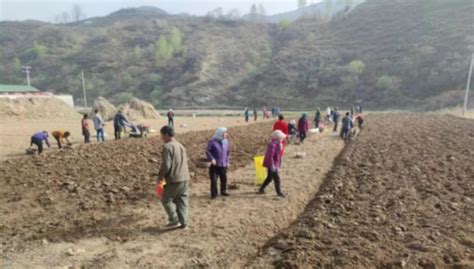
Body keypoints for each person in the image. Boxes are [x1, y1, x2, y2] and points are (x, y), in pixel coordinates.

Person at [157, 126, 190, 230]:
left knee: (166, 199)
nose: (161, 137)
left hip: (174, 178)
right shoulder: (180, 145)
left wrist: (160, 177)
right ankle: (183, 223)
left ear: (166, 134)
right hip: (185, 177)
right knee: (181, 200)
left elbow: (166, 165)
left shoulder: (168, 147)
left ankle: (174, 221)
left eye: (161, 135)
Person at [258, 130, 286, 198]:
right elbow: (270, 155)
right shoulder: (272, 145)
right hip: (272, 164)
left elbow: (278, 155)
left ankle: (261, 189)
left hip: (274, 163)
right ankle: (279, 192)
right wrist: (272, 165)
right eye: (281, 138)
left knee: (269, 178)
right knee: (277, 179)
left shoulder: (278, 144)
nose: (282, 139)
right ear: (277, 138)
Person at [206, 127, 230, 199]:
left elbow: (228, 152)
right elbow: (207, 151)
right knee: (213, 180)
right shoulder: (212, 141)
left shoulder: (226, 141)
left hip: (223, 164)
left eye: (226, 133)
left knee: (224, 178)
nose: (226, 134)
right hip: (215, 165)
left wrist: (227, 161)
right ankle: (214, 194)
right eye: (224, 133)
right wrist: (212, 159)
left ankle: (223, 191)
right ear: (220, 134)